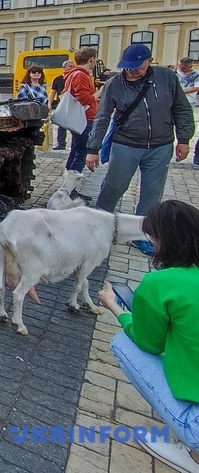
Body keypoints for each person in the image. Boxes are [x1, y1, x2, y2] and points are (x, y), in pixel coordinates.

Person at [97, 201, 199, 472]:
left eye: (153, 238)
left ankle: (195, 456)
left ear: (164, 241)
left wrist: (117, 309)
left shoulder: (159, 283)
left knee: (122, 342)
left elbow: (149, 343)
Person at [86, 44, 194, 216]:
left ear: (148, 62)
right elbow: (102, 118)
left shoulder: (167, 78)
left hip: (160, 145)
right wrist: (93, 149)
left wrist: (184, 140)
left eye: (136, 67)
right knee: (114, 186)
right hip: (126, 144)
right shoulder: (114, 84)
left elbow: (181, 108)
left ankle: (143, 232)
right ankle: (98, 221)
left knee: (152, 193)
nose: (130, 71)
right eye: (127, 67)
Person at [63, 47, 99, 172]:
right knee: (81, 154)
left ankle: (67, 187)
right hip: (83, 118)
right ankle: (70, 188)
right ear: (91, 59)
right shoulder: (80, 75)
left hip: (78, 117)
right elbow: (84, 99)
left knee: (75, 152)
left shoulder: (74, 73)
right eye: (95, 59)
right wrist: (100, 92)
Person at [176, 57, 199, 166]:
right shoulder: (175, 74)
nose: (182, 69)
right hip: (173, 102)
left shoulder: (196, 75)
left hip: (189, 102)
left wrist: (180, 92)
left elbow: (197, 87)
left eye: (185, 67)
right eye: (181, 66)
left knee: (187, 124)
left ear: (190, 66)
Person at [50, 61, 76, 150]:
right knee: (61, 126)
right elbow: (53, 92)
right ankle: (61, 144)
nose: (72, 68)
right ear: (64, 68)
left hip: (73, 106)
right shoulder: (58, 79)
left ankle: (74, 144)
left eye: (73, 66)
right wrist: (49, 103)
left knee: (74, 126)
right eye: (70, 66)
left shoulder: (76, 78)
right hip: (61, 105)